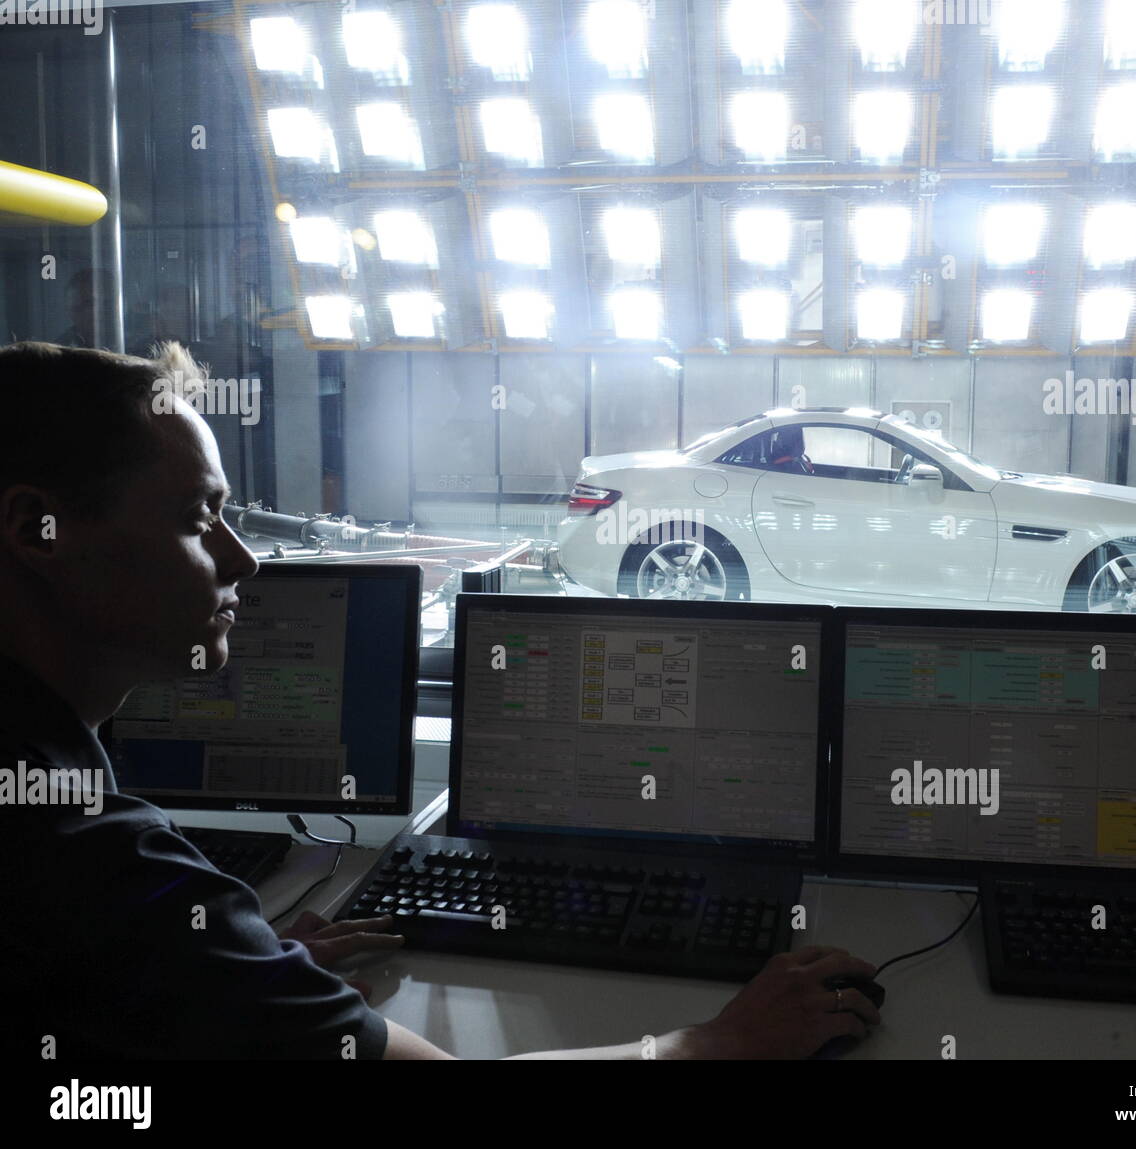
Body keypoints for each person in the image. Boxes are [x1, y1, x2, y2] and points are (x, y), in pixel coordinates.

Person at [0, 339, 881, 1060]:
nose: (244, 559)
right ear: (37, 527)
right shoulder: (95, 866)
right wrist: (715, 1043)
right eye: (199, 518)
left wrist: (243, 979)